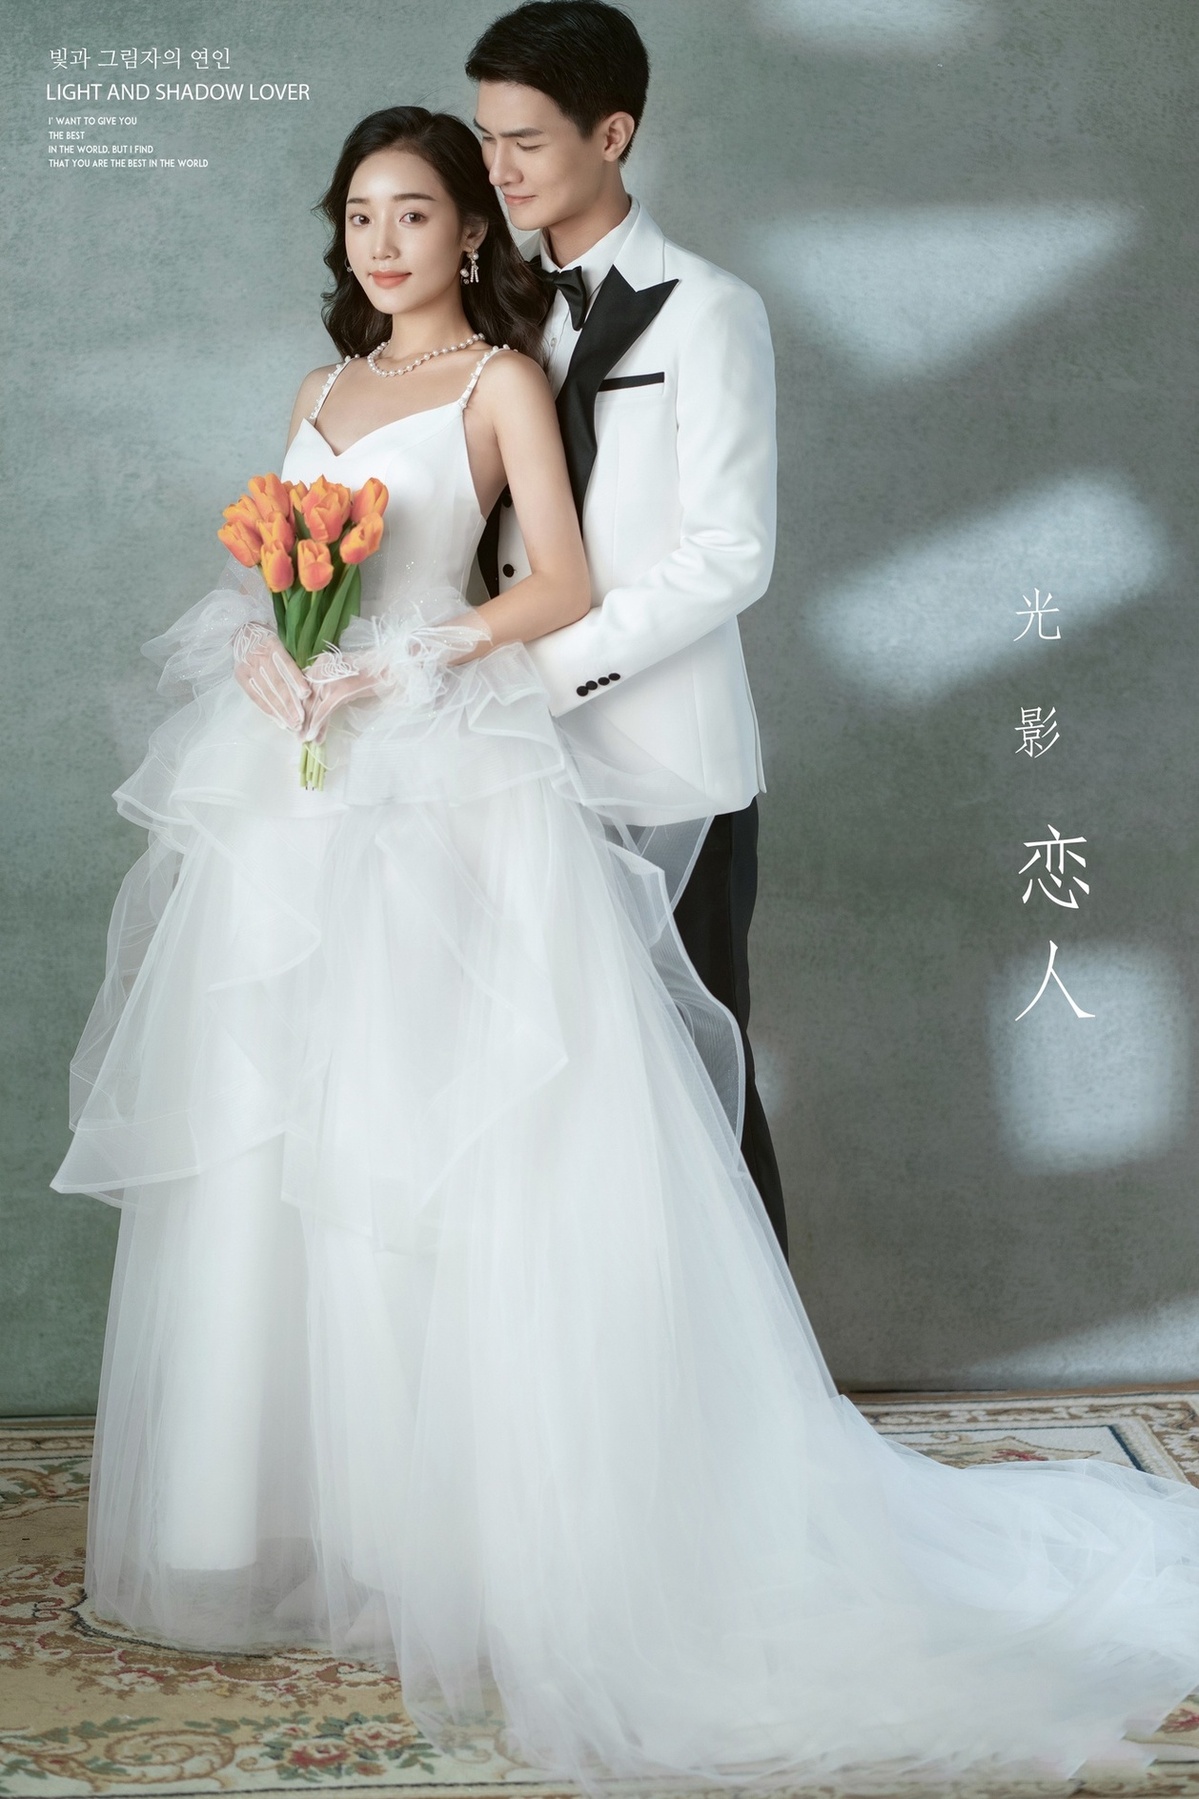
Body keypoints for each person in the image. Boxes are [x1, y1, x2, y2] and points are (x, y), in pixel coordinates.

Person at [51, 98, 1199, 1799]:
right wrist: (267, 652)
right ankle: (305, 1515)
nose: (384, 241)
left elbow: (558, 583)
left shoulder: (496, 383)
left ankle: (470, 1530)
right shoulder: (319, 388)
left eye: (416, 212)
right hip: (296, 788)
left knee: (441, 1129)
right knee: (280, 1131)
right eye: (360, 213)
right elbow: (268, 571)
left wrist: (402, 657)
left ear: (469, 231)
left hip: (433, 770)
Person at [468, 0, 789, 1257]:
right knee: (552, 1080)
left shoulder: (710, 308)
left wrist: (548, 671)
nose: (498, 169)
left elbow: (731, 551)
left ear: (611, 134)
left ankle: (759, 1366)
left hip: (669, 759)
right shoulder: (496, 313)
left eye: (526, 142)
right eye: (486, 140)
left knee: (698, 1078)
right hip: (512, 766)